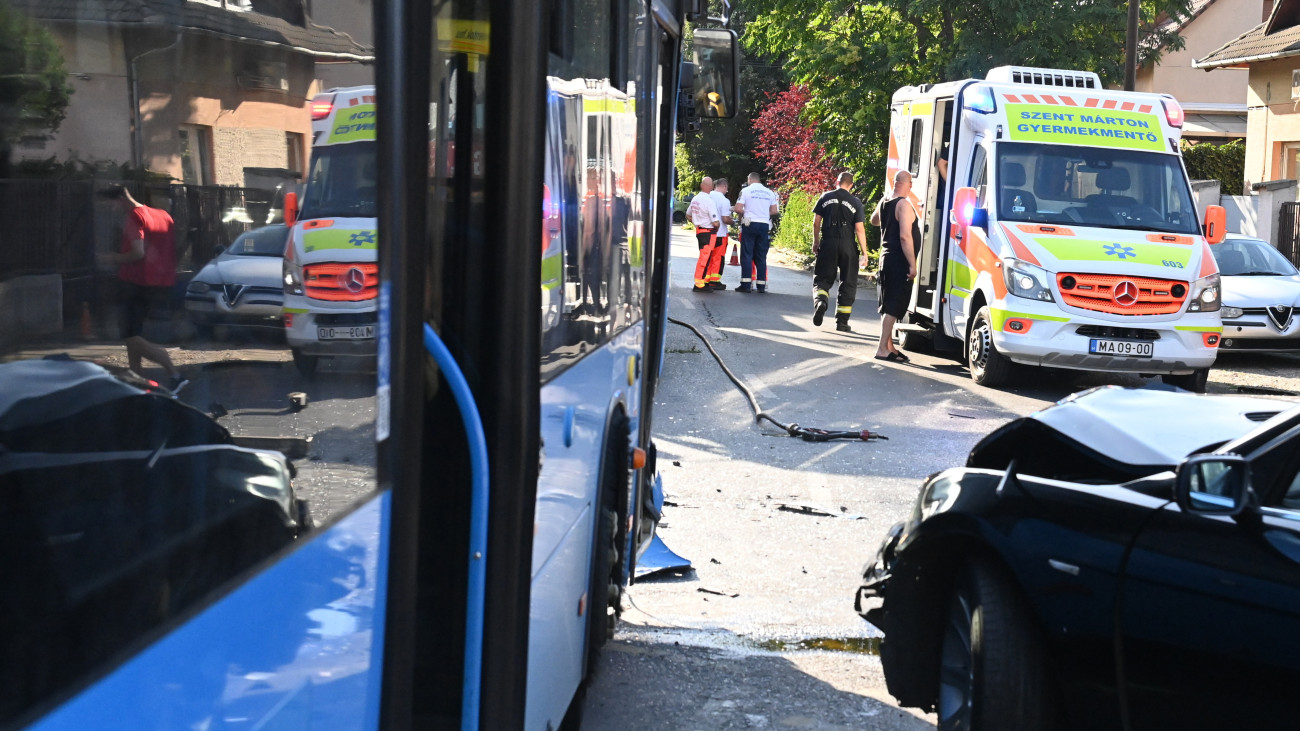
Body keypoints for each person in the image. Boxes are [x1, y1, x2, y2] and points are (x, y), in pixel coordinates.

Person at [95, 185, 187, 391]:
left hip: (135, 283)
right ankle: (136, 379)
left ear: (120, 198)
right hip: (159, 283)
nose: (110, 210)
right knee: (133, 332)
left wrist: (112, 257)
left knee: (129, 335)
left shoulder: (135, 216)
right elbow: (172, 246)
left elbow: (138, 252)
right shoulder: (163, 215)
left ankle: (174, 373)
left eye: (110, 205)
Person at [869, 170, 920, 362]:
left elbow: (874, 220)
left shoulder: (886, 201)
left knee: (887, 303)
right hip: (898, 260)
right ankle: (882, 348)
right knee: (893, 305)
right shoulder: (904, 204)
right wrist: (912, 265)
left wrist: (884, 200)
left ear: (894, 182)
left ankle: (889, 346)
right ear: (909, 185)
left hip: (886, 258)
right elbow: (905, 236)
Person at [811, 172, 867, 331]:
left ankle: (821, 301)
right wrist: (865, 252)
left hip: (828, 243)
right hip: (848, 246)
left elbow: (816, 222)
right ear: (851, 185)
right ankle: (842, 322)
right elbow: (859, 229)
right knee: (848, 282)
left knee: (822, 277)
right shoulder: (856, 202)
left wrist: (816, 241)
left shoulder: (825, 197)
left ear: (837, 181)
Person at [733, 172, 780, 293]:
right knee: (761, 256)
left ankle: (746, 284)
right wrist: (762, 213)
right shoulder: (769, 192)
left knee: (747, 254)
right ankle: (761, 285)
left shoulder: (746, 191)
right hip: (764, 225)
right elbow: (774, 211)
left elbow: (738, 208)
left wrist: (745, 213)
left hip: (750, 223)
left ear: (749, 180)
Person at [687, 177, 721, 293]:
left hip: (700, 231)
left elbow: (688, 215)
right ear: (711, 187)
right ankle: (699, 284)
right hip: (708, 232)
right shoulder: (709, 201)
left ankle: (702, 281)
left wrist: (697, 223)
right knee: (705, 258)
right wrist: (717, 226)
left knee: (704, 257)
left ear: (702, 185)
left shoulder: (695, 199)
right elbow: (715, 222)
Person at [707, 178, 734, 289]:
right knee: (718, 257)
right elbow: (725, 219)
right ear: (724, 187)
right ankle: (714, 281)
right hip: (720, 233)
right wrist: (733, 222)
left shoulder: (707, 196)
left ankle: (705, 279)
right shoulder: (724, 201)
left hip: (706, 232)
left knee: (707, 257)